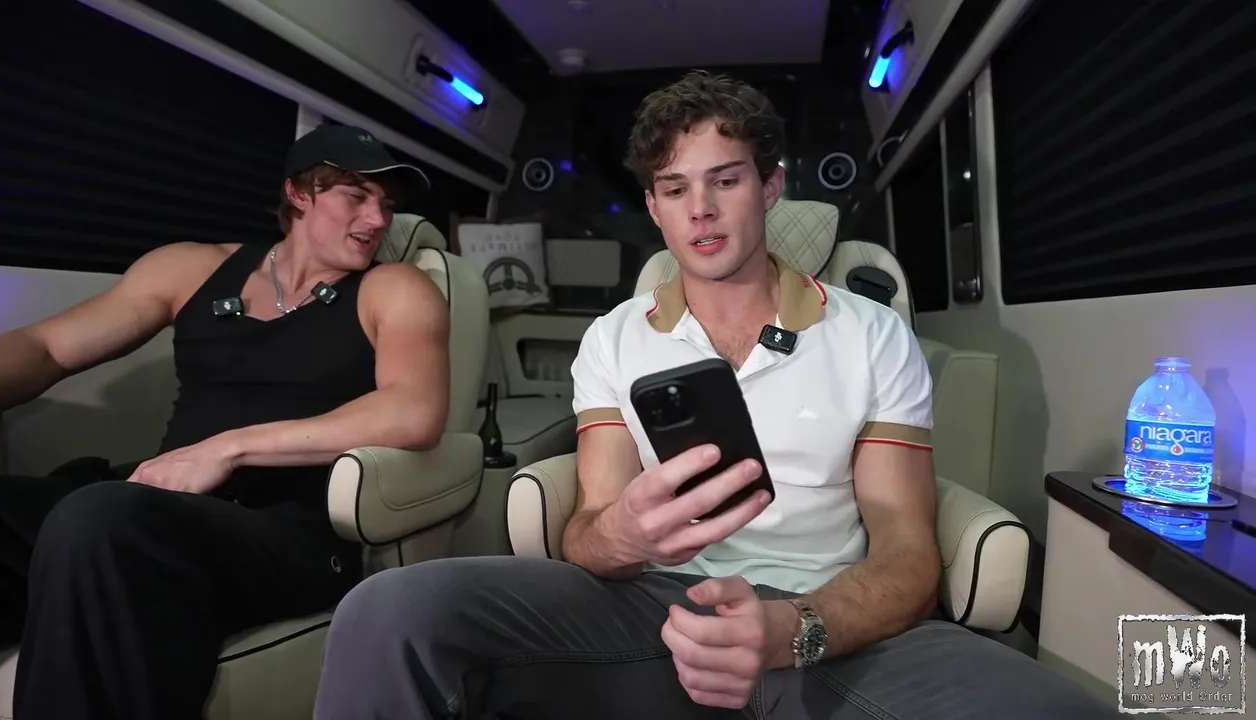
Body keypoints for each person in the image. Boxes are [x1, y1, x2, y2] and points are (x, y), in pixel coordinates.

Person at [313, 73, 1118, 719]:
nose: (699, 210)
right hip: (654, 611)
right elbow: (589, 533)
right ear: (654, 207)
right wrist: (622, 533)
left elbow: (907, 551)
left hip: (826, 623)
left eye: (724, 180)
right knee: (388, 612)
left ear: (769, 188)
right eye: (674, 189)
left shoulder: (873, 334)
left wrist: (792, 629)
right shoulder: (615, 339)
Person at [0, 123, 451, 719]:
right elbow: (46, 349)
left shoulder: (395, 288)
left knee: (101, 518)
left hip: (292, 529)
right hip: (159, 507)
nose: (378, 219)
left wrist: (226, 448)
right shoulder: (192, 269)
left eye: (387, 204)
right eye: (357, 196)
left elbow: (412, 410)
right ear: (299, 193)